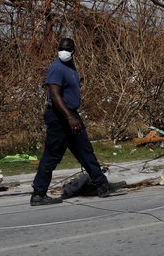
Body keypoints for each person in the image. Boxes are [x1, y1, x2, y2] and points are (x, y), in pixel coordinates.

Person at [30, 37, 111, 205]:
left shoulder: (71, 67)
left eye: (67, 48)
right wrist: (69, 117)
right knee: (52, 155)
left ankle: (101, 184)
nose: (64, 51)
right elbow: (55, 95)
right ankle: (38, 194)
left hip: (71, 114)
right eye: (61, 47)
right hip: (60, 116)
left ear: (74, 50)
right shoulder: (56, 68)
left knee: (85, 150)